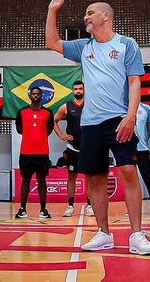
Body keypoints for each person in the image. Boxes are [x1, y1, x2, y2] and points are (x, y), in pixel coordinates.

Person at [46, 0, 150, 256]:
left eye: (90, 12)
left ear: (106, 16)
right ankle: (104, 234)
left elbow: (134, 81)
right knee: (95, 179)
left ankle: (136, 235)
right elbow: (52, 42)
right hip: (91, 125)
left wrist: (131, 115)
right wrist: (52, 9)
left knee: (129, 171)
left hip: (120, 119)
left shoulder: (126, 44)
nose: (85, 17)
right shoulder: (84, 47)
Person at [53, 80, 91, 217]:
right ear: (72, 90)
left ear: (84, 90)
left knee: (89, 177)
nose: (78, 91)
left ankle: (90, 205)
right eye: (76, 89)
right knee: (71, 177)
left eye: (80, 88)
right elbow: (54, 121)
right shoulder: (66, 107)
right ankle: (70, 205)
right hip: (72, 147)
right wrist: (61, 136)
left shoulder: (90, 104)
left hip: (88, 147)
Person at [15, 86, 52, 219]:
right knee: (26, 180)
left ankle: (43, 209)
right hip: (26, 152)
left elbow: (49, 129)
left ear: (41, 96)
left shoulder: (48, 113)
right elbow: (19, 129)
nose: (35, 96)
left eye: (38, 94)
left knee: (41, 180)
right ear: (29, 95)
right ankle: (22, 209)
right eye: (33, 94)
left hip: (42, 152)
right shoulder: (22, 112)